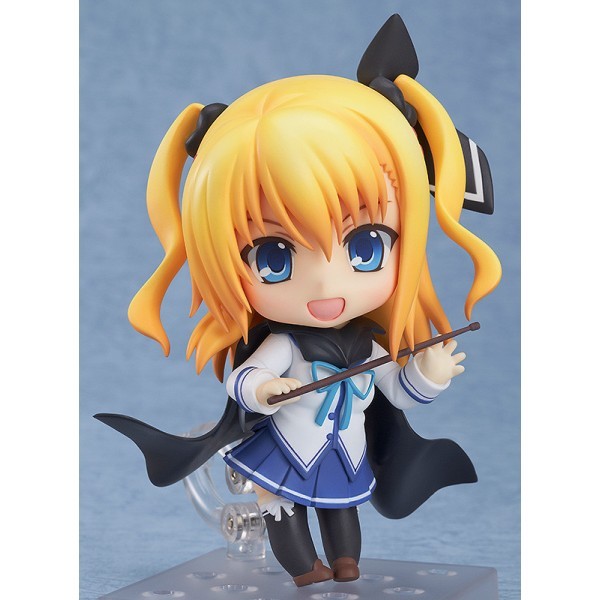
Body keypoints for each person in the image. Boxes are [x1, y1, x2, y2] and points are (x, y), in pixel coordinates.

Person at [97, 15, 501, 587]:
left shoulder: (367, 345)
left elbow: (398, 390)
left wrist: (427, 376)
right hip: (286, 448)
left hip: (343, 454)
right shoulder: (286, 344)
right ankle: (305, 572)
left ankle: (345, 564)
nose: (325, 284)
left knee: (343, 515)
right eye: (275, 258)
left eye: (365, 247)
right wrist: (265, 389)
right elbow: (244, 381)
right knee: (285, 514)